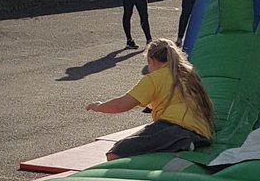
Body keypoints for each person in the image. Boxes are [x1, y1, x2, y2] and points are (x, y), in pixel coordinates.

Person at [86, 38, 215, 160]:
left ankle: (180, 144)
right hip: (202, 133)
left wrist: (98, 106)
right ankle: (181, 144)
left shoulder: (155, 78)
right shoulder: (189, 73)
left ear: (151, 61)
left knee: (115, 153)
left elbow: (121, 105)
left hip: (177, 131)